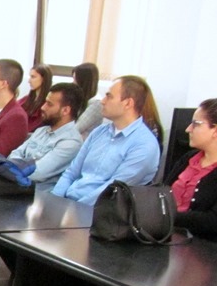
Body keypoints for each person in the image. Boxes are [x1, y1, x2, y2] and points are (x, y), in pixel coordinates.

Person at [66, 98, 217, 286]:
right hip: (164, 241)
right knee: (107, 268)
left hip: (202, 255)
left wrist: (169, 216)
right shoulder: (189, 159)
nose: (188, 128)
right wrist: (161, 215)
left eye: (196, 123)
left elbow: (212, 223)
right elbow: (160, 194)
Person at [0, 83, 86, 286]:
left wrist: (18, 166)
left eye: (49, 103)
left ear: (66, 110)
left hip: (44, 202)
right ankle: (27, 283)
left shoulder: (70, 141)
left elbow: (38, 172)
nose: (43, 107)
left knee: (7, 232)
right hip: (19, 193)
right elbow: (13, 156)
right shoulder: (41, 131)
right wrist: (19, 166)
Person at [51, 75, 162, 205]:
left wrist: (74, 208)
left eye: (109, 96)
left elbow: (112, 191)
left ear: (128, 103)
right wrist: (54, 200)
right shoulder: (99, 132)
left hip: (100, 211)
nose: (103, 101)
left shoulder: (144, 145)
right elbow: (71, 173)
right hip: (70, 202)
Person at [17, 64, 52, 132]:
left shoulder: (47, 103)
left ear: (44, 79)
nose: (29, 81)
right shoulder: (26, 99)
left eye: (33, 77)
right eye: (30, 77)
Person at [72, 61, 103, 140]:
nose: (73, 83)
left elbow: (76, 129)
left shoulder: (96, 103)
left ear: (83, 81)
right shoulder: (82, 98)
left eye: (75, 79)